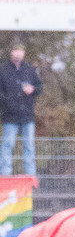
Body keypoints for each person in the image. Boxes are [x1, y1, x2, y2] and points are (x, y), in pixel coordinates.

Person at [0, 42, 42, 177]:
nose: (17, 53)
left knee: (29, 146)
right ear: (11, 52)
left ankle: (30, 176)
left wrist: (33, 89)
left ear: (23, 53)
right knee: (7, 145)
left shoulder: (30, 69)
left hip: (27, 116)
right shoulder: (3, 70)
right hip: (9, 116)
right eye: (15, 50)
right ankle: (5, 176)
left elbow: (39, 87)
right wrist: (8, 103)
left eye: (20, 50)